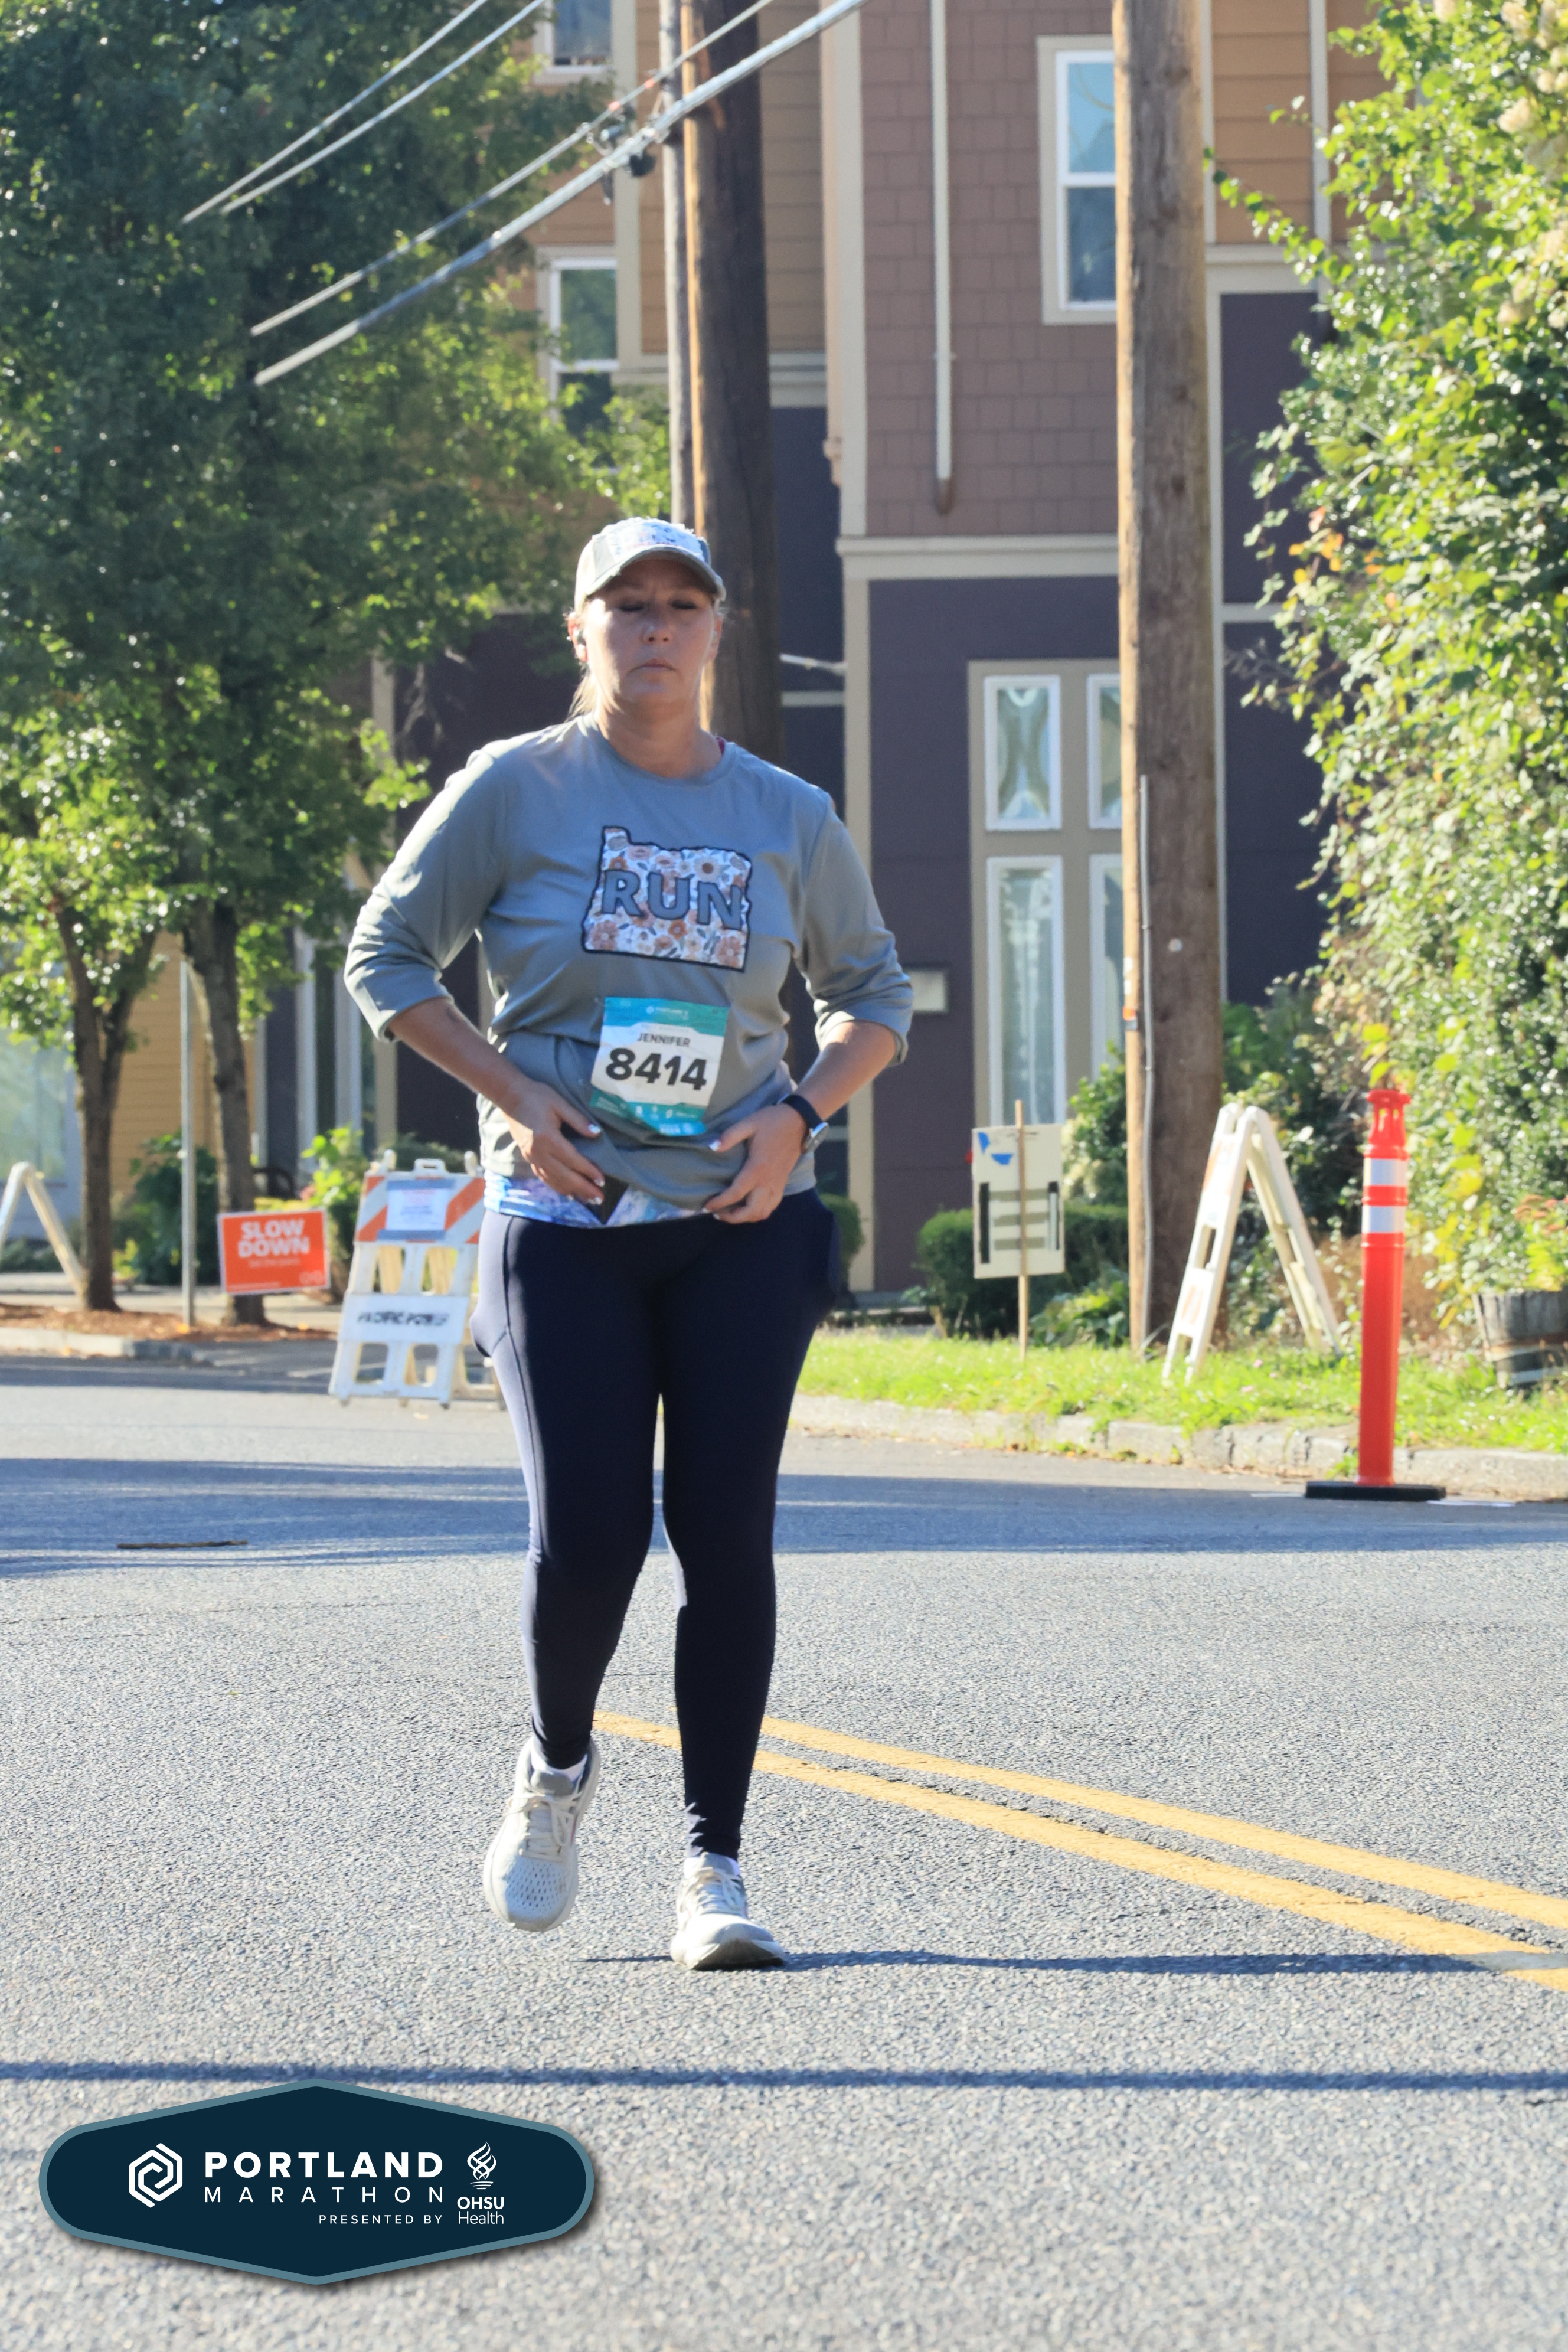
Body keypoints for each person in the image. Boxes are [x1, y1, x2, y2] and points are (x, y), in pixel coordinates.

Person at [345, 517, 910, 1970]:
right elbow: (384, 958)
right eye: (627, 605)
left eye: (681, 605)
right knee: (590, 1539)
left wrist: (797, 1114)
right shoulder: (513, 788)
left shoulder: (786, 813)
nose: (655, 627)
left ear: (715, 631)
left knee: (724, 1536)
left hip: (742, 1220)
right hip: (566, 1218)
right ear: (582, 628)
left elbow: (873, 997)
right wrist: (512, 1096)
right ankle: (554, 1768)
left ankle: (713, 1867)